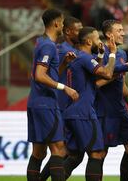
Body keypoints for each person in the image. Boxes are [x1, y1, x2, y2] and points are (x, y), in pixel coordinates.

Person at [26, 8, 79, 181]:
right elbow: (39, 75)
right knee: (59, 149)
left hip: (35, 101)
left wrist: (63, 64)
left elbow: (45, 73)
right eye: (62, 22)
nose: (63, 25)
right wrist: (65, 88)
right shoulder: (49, 45)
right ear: (56, 23)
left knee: (39, 152)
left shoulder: (41, 42)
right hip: (46, 104)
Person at [62, 26, 117, 181]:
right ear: (88, 41)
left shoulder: (79, 58)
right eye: (97, 39)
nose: (101, 42)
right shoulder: (84, 58)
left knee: (75, 155)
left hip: (72, 111)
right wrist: (112, 53)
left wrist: (100, 54)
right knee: (97, 154)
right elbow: (106, 73)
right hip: (83, 112)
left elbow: (92, 72)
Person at [95, 20, 128, 181]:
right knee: (101, 153)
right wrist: (126, 67)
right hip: (105, 110)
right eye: (119, 30)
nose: (123, 33)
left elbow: (121, 86)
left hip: (120, 110)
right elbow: (97, 83)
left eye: (123, 30)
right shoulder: (101, 53)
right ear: (109, 34)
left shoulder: (121, 54)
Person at [40, 16, 83, 181]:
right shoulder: (61, 50)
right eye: (78, 29)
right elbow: (48, 76)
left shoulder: (75, 50)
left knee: (69, 152)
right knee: (65, 151)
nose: (80, 32)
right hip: (62, 107)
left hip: (73, 108)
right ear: (68, 31)